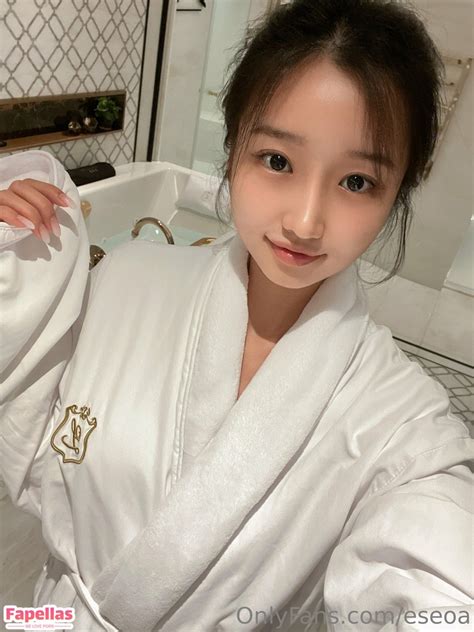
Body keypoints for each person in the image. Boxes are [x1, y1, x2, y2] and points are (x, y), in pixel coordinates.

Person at [0, 0, 472, 630]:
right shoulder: (123, 281)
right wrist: (14, 252)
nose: (305, 221)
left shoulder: (403, 419)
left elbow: (436, 573)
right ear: (232, 150)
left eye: (357, 182)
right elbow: (26, 417)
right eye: (278, 161)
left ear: (397, 194)